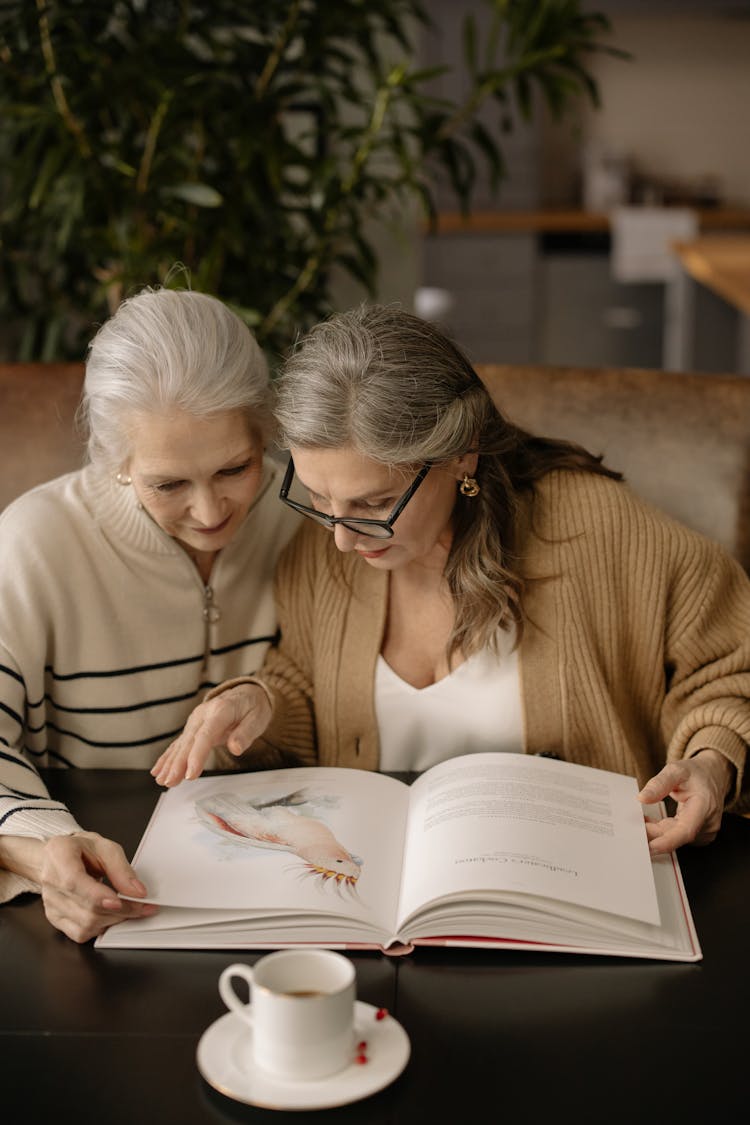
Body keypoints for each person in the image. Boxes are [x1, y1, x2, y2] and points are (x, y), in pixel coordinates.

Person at [153, 303, 750, 856]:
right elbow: (307, 683)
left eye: (375, 501)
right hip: (374, 887)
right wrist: (257, 701)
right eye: (318, 496)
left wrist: (711, 762)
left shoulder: (601, 530)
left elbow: (730, 668)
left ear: (462, 454)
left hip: (582, 882)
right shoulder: (321, 548)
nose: (341, 536)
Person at [0, 286, 300, 941]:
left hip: (285, 889)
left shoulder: (310, 515)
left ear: (264, 435)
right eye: (168, 484)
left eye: (235, 468)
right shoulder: (33, 543)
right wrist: (44, 850)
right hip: (98, 905)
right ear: (115, 462)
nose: (211, 510)